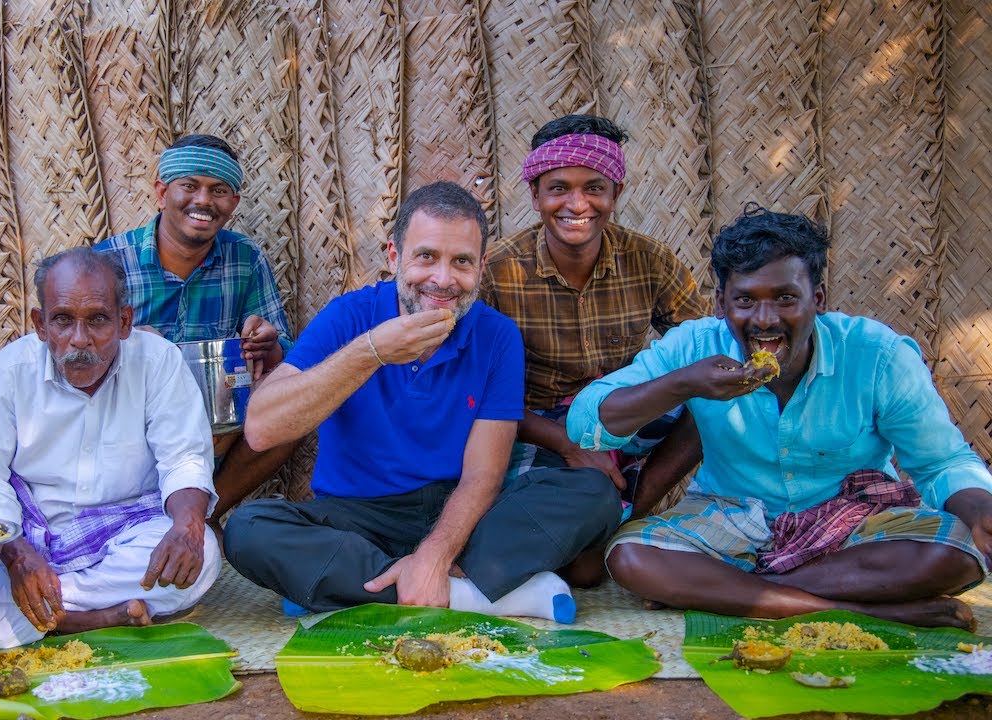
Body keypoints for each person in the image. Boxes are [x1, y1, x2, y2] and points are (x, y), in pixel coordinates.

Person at [568, 205, 992, 629]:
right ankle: (865, 610)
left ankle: (746, 589)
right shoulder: (694, 347)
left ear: (818, 299)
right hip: (730, 515)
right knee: (631, 555)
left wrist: (980, 510)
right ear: (720, 303)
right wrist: (682, 385)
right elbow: (585, 424)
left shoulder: (877, 355)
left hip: (852, 520)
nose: (765, 321)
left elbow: (942, 463)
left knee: (957, 553)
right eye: (745, 300)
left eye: (786, 298)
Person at [224, 182, 618, 623]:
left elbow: (482, 476)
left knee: (593, 492)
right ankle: (479, 596)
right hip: (357, 518)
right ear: (394, 256)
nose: (443, 280)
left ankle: (350, 588)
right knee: (248, 529)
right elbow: (261, 429)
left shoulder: (497, 335)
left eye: (462, 262)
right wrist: (372, 351)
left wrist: (434, 553)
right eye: (426, 256)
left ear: (481, 266)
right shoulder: (350, 316)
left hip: (459, 519)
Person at [0, 248, 220, 648]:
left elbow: (184, 458)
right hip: (21, 536)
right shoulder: (6, 375)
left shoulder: (159, 363)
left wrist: (187, 527)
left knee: (204, 554)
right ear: (40, 324)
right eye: (62, 320)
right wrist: (18, 556)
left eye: (97, 320)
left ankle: (31, 615)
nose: (79, 339)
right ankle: (92, 619)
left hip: (126, 533)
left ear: (124, 322)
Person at [480, 115, 710, 574]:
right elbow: (477, 391)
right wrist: (569, 446)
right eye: (559, 187)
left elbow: (706, 346)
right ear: (536, 195)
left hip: (624, 415)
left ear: (615, 194)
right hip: (535, 425)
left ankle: (628, 513)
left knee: (710, 404)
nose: (576, 203)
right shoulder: (499, 271)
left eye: (594, 187)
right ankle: (595, 513)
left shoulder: (650, 261)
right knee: (581, 570)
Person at [94, 134, 296, 526]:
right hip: (130, 426)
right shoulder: (107, 263)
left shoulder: (244, 258)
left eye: (218, 190)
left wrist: (269, 344)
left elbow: (286, 352)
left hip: (217, 426)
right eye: (189, 185)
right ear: (161, 192)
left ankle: (202, 518)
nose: (203, 200)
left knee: (290, 416)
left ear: (233, 204)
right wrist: (131, 345)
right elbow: (73, 356)